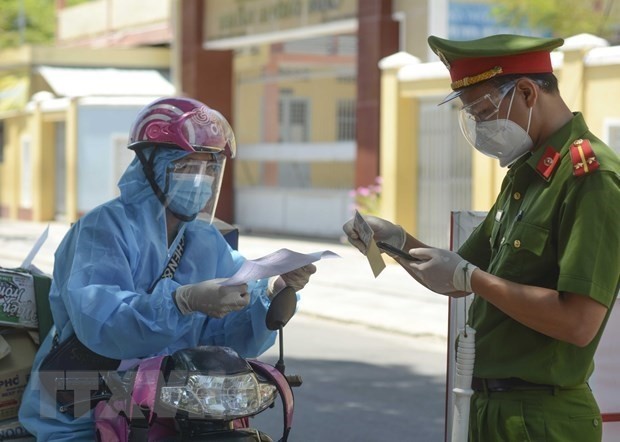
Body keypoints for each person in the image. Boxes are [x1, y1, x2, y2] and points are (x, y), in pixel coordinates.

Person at [343, 34, 620, 441]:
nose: (479, 126)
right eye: (471, 114)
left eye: (484, 110)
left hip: (543, 419)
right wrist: (399, 242)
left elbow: (579, 322)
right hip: (490, 408)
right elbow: (455, 274)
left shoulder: (590, 177)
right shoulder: (527, 175)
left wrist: (470, 278)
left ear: (526, 92)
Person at [18, 96, 316, 440]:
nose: (200, 179)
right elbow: (101, 324)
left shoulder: (204, 240)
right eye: (188, 166)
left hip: (171, 406)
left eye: (210, 168)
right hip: (86, 405)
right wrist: (181, 301)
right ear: (151, 165)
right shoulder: (103, 228)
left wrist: (270, 293)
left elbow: (223, 338)